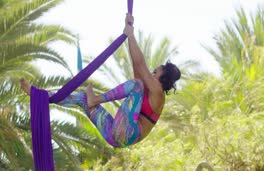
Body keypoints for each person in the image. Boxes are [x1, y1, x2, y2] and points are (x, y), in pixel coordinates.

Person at [20, 13, 181, 148]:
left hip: (126, 133)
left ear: (163, 77)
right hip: (113, 133)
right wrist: (128, 31)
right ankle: (43, 97)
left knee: (136, 84)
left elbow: (140, 65)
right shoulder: (144, 91)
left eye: (155, 72)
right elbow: (137, 67)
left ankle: (96, 99)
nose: (151, 73)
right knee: (83, 99)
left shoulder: (158, 95)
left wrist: (130, 34)